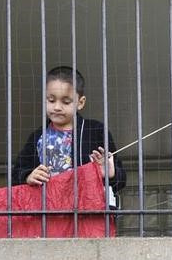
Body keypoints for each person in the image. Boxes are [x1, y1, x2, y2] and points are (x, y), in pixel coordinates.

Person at [11, 66, 126, 199]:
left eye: (66, 102)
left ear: (80, 102)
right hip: (48, 213)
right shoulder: (38, 137)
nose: (57, 107)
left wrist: (111, 174)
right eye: (51, 100)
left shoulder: (95, 131)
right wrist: (28, 176)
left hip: (87, 212)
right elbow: (16, 176)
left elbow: (121, 180)